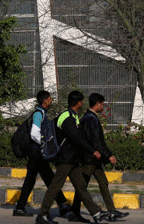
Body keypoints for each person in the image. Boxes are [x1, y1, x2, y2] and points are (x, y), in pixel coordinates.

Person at [36, 90, 110, 224]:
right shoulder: (67, 116)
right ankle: (43, 214)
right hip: (65, 159)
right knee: (55, 186)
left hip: (72, 159)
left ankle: (96, 213)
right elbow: (76, 137)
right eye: (82, 101)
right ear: (79, 103)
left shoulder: (73, 115)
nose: (82, 104)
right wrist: (92, 150)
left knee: (81, 187)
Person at [70, 93, 129, 222]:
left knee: (103, 182)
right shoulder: (90, 119)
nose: (103, 107)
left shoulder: (90, 117)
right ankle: (74, 212)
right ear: (97, 104)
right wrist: (108, 155)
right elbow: (96, 142)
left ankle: (112, 211)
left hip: (94, 159)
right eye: (102, 104)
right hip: (89, 159)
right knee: (82, 186)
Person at [13, 90, 72, 217]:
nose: (51, 100)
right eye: (50, 98)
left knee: (47, 178)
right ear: (45, 100)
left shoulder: (42, 113)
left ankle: (61, 205)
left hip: (38, 153)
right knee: (36, 180)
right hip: (36, 153)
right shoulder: (39, 113)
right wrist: (45, 144)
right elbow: (34, 133)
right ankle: (20, 208)